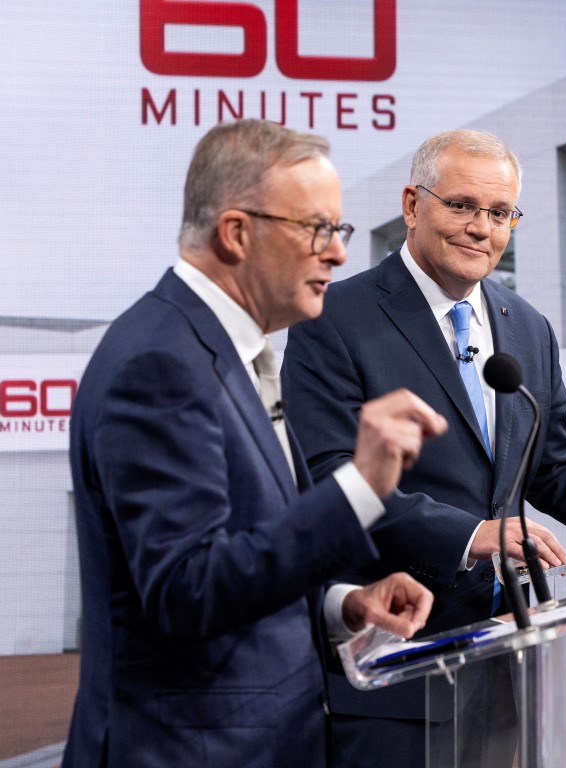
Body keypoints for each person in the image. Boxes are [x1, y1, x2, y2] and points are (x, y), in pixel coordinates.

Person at [281, 128, 566, 766]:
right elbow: (330, 478)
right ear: (413, 206)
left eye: (499, 213)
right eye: (463, 206)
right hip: (395, 657)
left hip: (504, 653)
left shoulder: (525, 326)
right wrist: (471, 535)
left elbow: (552, 468)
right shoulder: (335, 319)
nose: (481, 228)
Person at [64, 119, 449, 768]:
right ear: (237, 233)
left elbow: (242, 550)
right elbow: (188, 589)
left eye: (340, 232)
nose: (338, 254)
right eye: (316, 229)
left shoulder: (221, 348)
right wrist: (359, 486)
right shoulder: (159, 362)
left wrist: (340, 605)